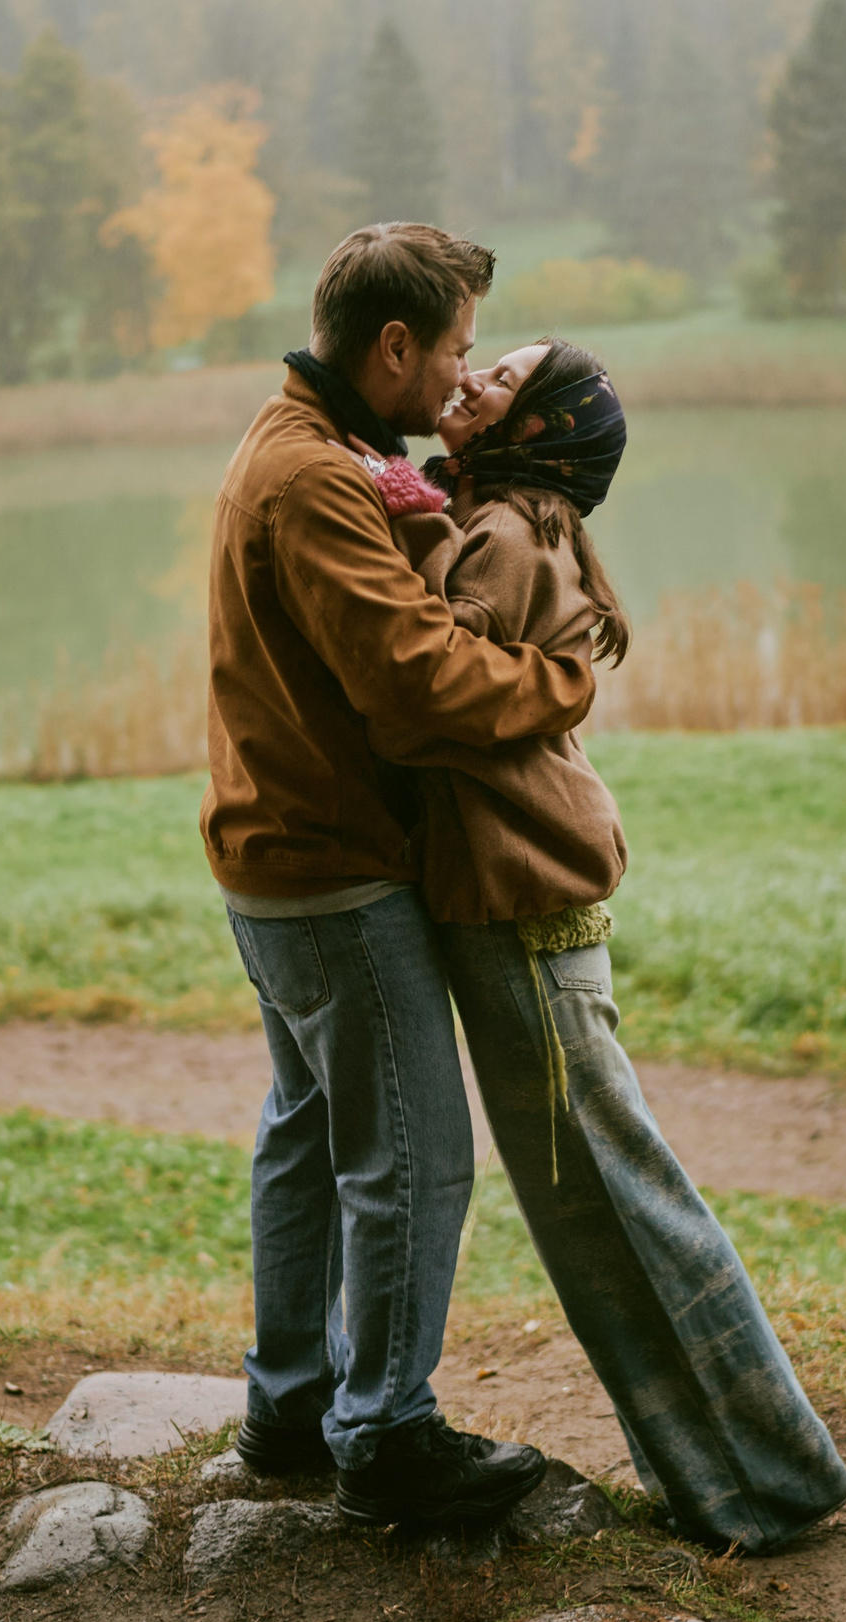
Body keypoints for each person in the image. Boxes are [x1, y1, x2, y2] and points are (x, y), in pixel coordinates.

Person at [354, 337, 846, 1555]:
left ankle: (772, 1480)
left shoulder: (506, 534)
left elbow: (426, 694)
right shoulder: (504, 519)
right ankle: (727, 1483)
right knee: (595, 1211)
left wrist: (408, 526)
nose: (468, 381)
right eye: (479, 364)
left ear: (533, 430)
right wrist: (422, 512)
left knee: (620, 1203)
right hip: (515, 905)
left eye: (499, 380)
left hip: (525, 909)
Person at [203, 224, 592, 1530]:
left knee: (310, 1135)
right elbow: (416, 681)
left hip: (277, 856)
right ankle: (382, 1433)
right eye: (457, 349)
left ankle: (289, 1406)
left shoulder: (307, 444)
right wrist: (556, 682)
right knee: (415, 1156)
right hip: (334, 872)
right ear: (391, 346)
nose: (464, 374)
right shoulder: (313, 479)